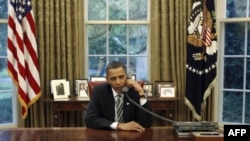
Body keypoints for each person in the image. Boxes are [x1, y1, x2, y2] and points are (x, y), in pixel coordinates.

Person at [84, 61, 153, 132]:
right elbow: (90, 119)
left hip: (132, 136)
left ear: (127, 76)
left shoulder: (134, 91)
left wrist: (141, 93)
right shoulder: (99, 92)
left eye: (121, 77)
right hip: (107, 135)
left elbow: (146, 123)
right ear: (107, 80)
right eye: (113, 79)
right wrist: (119, 125)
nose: (118, 82)